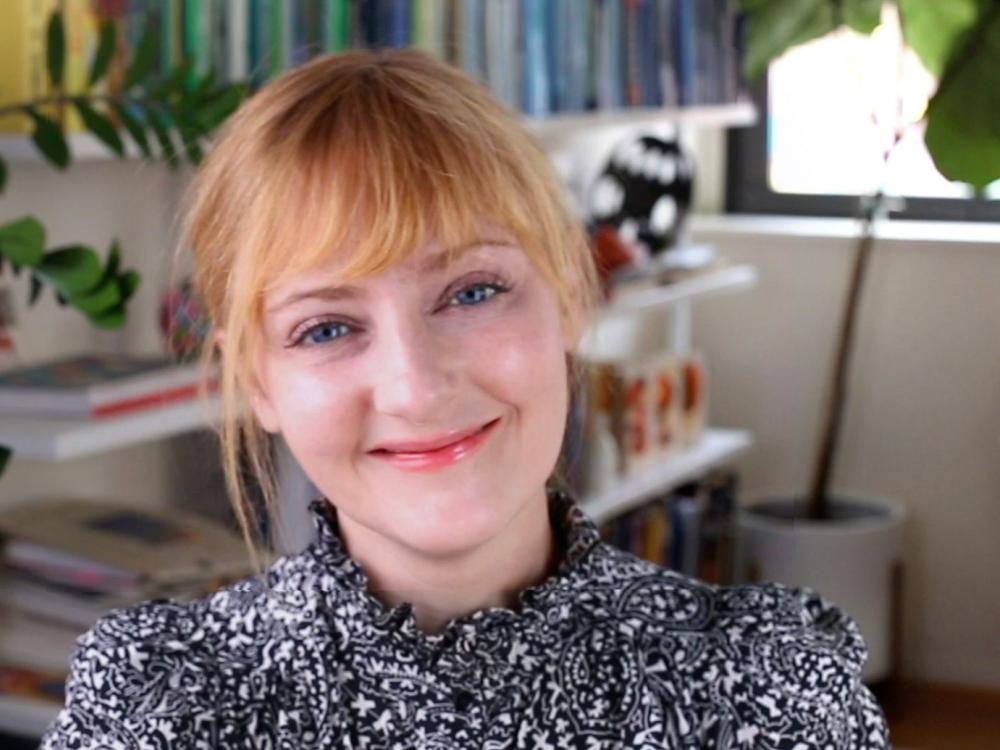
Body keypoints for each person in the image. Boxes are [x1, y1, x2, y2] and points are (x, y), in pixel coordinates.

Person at [40, 48, 890, 749]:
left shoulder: (771, 689)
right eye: (327, 329)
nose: (414, 389)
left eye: (473, 291)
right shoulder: (155, 708)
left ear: (567, 293)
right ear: (257, 380)